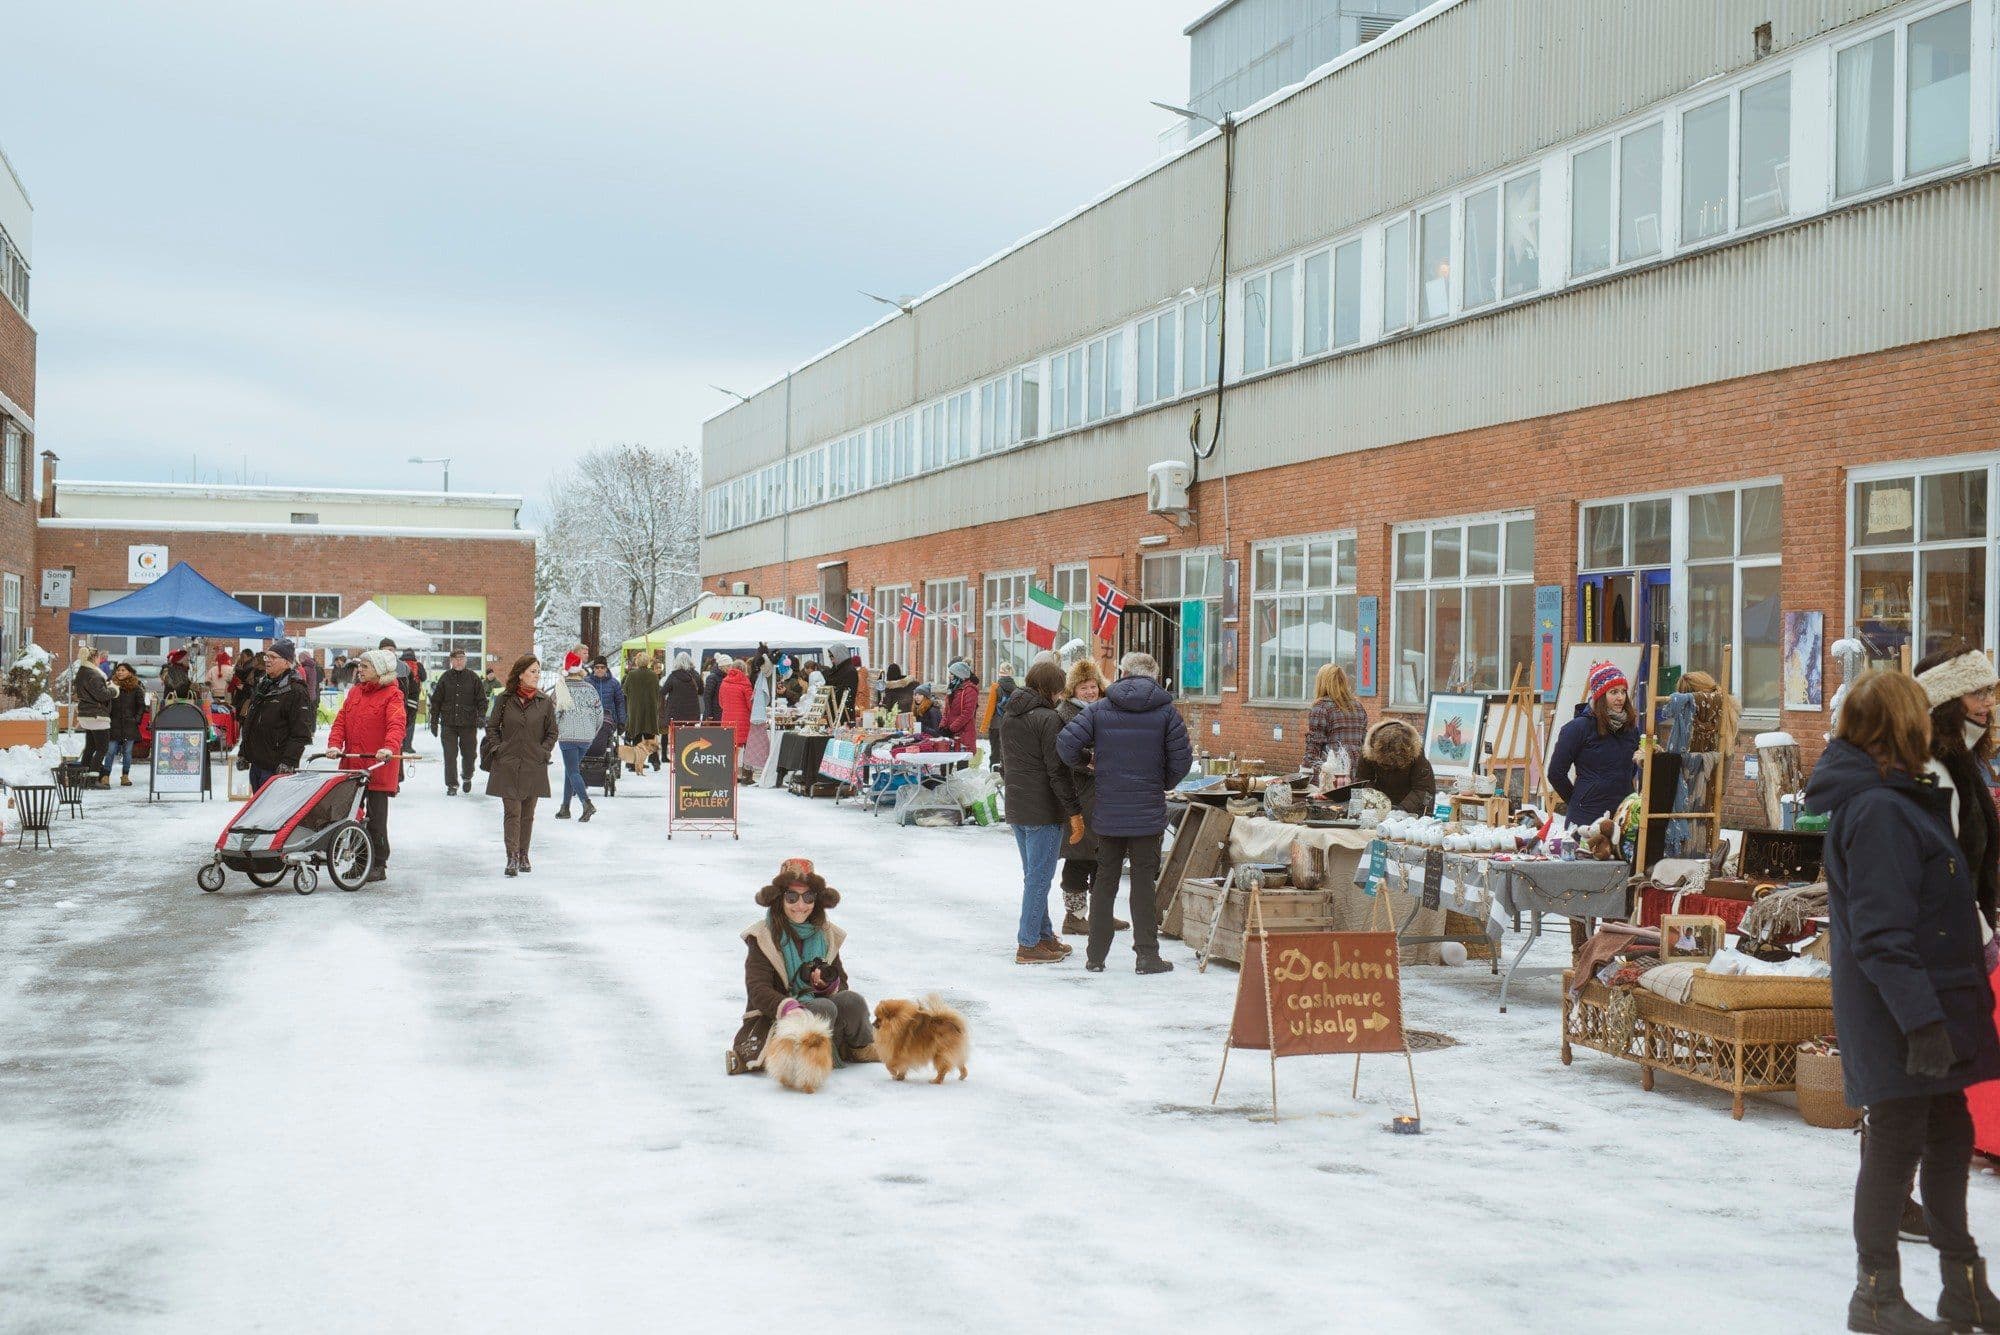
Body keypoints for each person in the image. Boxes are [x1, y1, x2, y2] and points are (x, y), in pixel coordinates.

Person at [1805, 671, 2000, 1333]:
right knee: (1895, 1148)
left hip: (1929, 1003)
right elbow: (1883, 935)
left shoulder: (1893, 796)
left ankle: (1963, 1285)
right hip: (1904, 1012)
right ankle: (1876, 1295)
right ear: (1900, 727)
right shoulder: (1880, 809)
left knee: (1950, 1135)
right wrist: (1920, 1021)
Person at [1057, 651, 1192, 975]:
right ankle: (1147, 955)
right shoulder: (1166, 713)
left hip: (1110, 812)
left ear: (1123, 673)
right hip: (1147, 813)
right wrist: (1161, 781)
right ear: (1153, 676)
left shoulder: (1102, 709)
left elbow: (1065, 745)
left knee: (1105, 881)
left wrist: (1090, 763)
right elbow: (1182, 760)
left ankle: (1095, 955)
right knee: (1144, 884)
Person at [727, 858, 879, 1076]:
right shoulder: (763, 937)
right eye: (792, 897)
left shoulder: (826, 934)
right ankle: (796, 1057)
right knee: (823, 1008)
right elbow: (757, 989)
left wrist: (826, 985)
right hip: (781, 1021)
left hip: (822, 1018)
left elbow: (842, 981)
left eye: (808, 897)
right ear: (780, 899)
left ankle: (859, 1048)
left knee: (851, 1000)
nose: (801, 905)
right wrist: (789, 1008)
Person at [1001, 660, 1080, 964]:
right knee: (1039, 878)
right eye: (1059, 690)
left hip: (1018, 806)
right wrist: (1074, 810)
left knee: (1035, 876)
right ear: (1049, 688)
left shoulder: (1010, 714)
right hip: (1043, 809)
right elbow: (1057, 771)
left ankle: (1044, 936)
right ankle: (1028, 943)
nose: (1061, 696)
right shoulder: (1049, 719)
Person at [1915, 647, 2000, 926]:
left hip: (1960, 937)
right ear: (1945, 699)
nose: (1989, 703)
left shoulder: (1962, 759)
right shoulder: (1928, 768)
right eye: (1978, 693)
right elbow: (1933, 872)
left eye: (1991, 691)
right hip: (1939, 941)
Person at [1055, 657, 1127, 939]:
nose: (1090, 692)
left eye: (1093, 686)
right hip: (1081, 795)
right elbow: (1066, 754)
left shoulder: (1106, 710)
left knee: (1105, 857)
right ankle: (1074, 917)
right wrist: (1093, 761)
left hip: (1107, 794)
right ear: (1073, 690)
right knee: (1080, 856)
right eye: (1084, 687)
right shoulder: (1065, 714)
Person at [325, 649, 406, 883]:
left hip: (378, 764)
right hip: (353, 763)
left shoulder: (392, 694)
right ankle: (360, 862)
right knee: (351, 815)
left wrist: (389, 747)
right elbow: (341, 720)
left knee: (376, 818)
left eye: (365, 667)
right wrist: (334, 744)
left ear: (379, 670)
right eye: (359, 666)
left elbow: (396, 723)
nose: (359, 670)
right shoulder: (355, 693)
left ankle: (378, 863)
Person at [482, 655, 559, 876]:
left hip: (533, 763)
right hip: (508, 763)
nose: (537, 675)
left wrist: (544, 751)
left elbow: (552, 732)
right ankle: (512, 858)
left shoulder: (544, 702)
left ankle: (524, 854)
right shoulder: (504, 699)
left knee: (527, 813)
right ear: (521, 674)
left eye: (538, 671)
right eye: (533, 671)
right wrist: (498, 749)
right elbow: (492, 727)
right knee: (512, 812)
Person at [1549, 661, 1642, 829]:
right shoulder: (1578, 728)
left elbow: (1631, 770)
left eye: (1623, 691)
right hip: (1587, 818)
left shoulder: (1630, 729)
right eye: (1613, 692)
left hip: (1623, 817)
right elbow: (1556, 773)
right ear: (1600, 695)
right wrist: (1577, 800)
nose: (1620, 697)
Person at [237, 638, 315, 792]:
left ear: (287, 662)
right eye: (267, 656)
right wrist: (243, 753)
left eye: (273, 657)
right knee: (258, 810)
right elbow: (251, 722)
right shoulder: (263, 685)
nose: (267, 661)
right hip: (257, 764)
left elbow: (301, 733)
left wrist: (288, 762)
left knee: (272, 813)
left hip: (276, 766)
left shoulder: (295, 690)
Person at [428, 647, 488, 796]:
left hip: (468, 724)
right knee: (450, 755)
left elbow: (482, 700)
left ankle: (467, 776)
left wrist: (481, 716)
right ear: (451, 661)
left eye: (461, 658)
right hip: (448, 724)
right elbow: (436, 702)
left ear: (466, 660)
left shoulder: (473, 678)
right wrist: (434, 722)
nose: (459, 661)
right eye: (456, 659)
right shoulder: (445, 678)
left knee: (469, 755)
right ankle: (452, 785)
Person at [1352, 718, 1436, 815]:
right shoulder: (1368, 753)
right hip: (1379, 806)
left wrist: (1402, 809)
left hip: (1409, 807)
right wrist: (1379, 804)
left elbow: (1424, 790)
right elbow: (1363, 782)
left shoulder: (1416, 754)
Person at [553, 658, 602, 822]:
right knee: (570, 769)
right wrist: (593, 731)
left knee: (573, 771)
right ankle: (565, 808)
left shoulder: (561, 688)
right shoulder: (590, 688)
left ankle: (586, 803)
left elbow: (555, 714)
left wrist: (556, 730)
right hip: (586, 737)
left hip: (568, 736)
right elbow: (599, 712)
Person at [1303, 663, 1368, 779]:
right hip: (1357, 775)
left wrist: (1304, 776)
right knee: (1354, 797)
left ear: (1321, 683)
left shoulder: (1321, 707)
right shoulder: (1358, 707)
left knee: (1330, 797)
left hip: (1333, 777)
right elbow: (1364, 743)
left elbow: (1312, 751)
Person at [70, 647, 117, 782]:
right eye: (98, 658)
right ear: (94, 658)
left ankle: (83, 776)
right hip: (97, 716)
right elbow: (102, 695)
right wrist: (114, 690)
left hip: (86, 714)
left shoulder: (82, 672)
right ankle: (93, 777)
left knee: (90, 747)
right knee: (102, 748)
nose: (99, 660)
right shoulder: (94, 674)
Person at [102, 663, 146, 787]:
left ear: (129, 672)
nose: (120, 672)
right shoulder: (111, 686)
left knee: (127, 752)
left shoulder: (136, 688)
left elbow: (141, 705)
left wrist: (136, 719)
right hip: (113, 724)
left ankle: (125, 776)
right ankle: (105, 776)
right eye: (118, 670)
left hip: (129, 724)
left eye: (123, 670)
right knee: (110, 751)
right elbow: (105, 703)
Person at [621, 651, 663, 772]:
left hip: (636, 710)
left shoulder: (632, 675)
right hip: (650, 709)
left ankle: (635, 763)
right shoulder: (653, 675)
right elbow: (657, 692)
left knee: (636, 737)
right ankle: (655, 762)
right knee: (650, 738)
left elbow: (625, 690)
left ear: (637, 662)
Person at [718, 655, 754, 771]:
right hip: (743, 721)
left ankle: (729, 771)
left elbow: (721, 703)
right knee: (746, 747)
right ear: (744, 670)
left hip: (727, 719)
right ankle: (745, 774)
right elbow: (751, 705)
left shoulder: (724, 682)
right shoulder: (745, 683)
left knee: (730, 748)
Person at [588, 656, 627, 758]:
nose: (600, 669)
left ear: (606, 668)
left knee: (603, 729)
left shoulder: (614, 683)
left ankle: (598, 752)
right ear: (593, 669)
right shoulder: (587, 682)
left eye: (602, 667)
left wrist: (622, 721)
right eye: (597, 667)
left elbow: (620, 703)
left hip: (608, 718)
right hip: (589, 717)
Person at [940, 659, 981, 752]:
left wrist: (952, 728)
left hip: (963, 733)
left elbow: (967, 713)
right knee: (945, 763)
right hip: (949, 734)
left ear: (959, 675)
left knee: (962, 764)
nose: (949, 676)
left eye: (951, 673)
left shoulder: (970, 690)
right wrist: (942, 726)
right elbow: (946, 711)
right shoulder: (952, 689)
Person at [395, 644, 427, 753]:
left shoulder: (399, 664)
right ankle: (407, 746)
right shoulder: (418, 665)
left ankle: (398, 743)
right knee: (410, 721)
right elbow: (424, 677)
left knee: (398, 720)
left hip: (400, 696)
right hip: (413, 697)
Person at [988, 661, 1018, 774]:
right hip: (1011, 724)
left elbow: (990, 709)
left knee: (995, 752)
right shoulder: (1016, 688)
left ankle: (994, 774)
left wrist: (984, 726)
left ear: (1000, 672)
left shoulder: (995, 686)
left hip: (996, 724)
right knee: (1008, 752)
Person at [702, 654, 727, 723]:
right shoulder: (712, 677)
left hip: (721, 712)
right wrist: (708, 713)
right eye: (728, 666)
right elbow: (707, 696)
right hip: (713, 713)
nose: (730, 668)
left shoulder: (726, 677)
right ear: (722, 666)